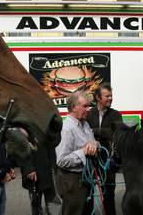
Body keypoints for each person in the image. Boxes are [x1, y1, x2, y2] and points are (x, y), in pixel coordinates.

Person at [55, 91, 100, 215]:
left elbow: (92, 143)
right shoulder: (66, 128)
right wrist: (84, 152)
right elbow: (61, 160)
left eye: (89, 105)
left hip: (85, 179)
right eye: (85, 106)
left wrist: (95, 143)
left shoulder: (85, 125)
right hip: (72, 182)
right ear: (74, 107)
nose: (89, 109)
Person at [86, 82, 123, 215]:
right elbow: (85, 134)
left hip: (108, 163)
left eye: (111, 96)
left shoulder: (116, 115)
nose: (110, 98)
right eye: (107, 96)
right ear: (98, 98)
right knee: (88, 196)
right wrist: (101, 133)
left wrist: (95, 131)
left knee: (108, 197)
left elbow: (115, 133)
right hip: (90, 161)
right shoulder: (89, 114)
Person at [21, 146, 62, 215]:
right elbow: (19, 148)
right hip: (33, 171)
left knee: (53, 203)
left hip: (50, 168)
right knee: (36, 204)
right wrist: (28, 168)